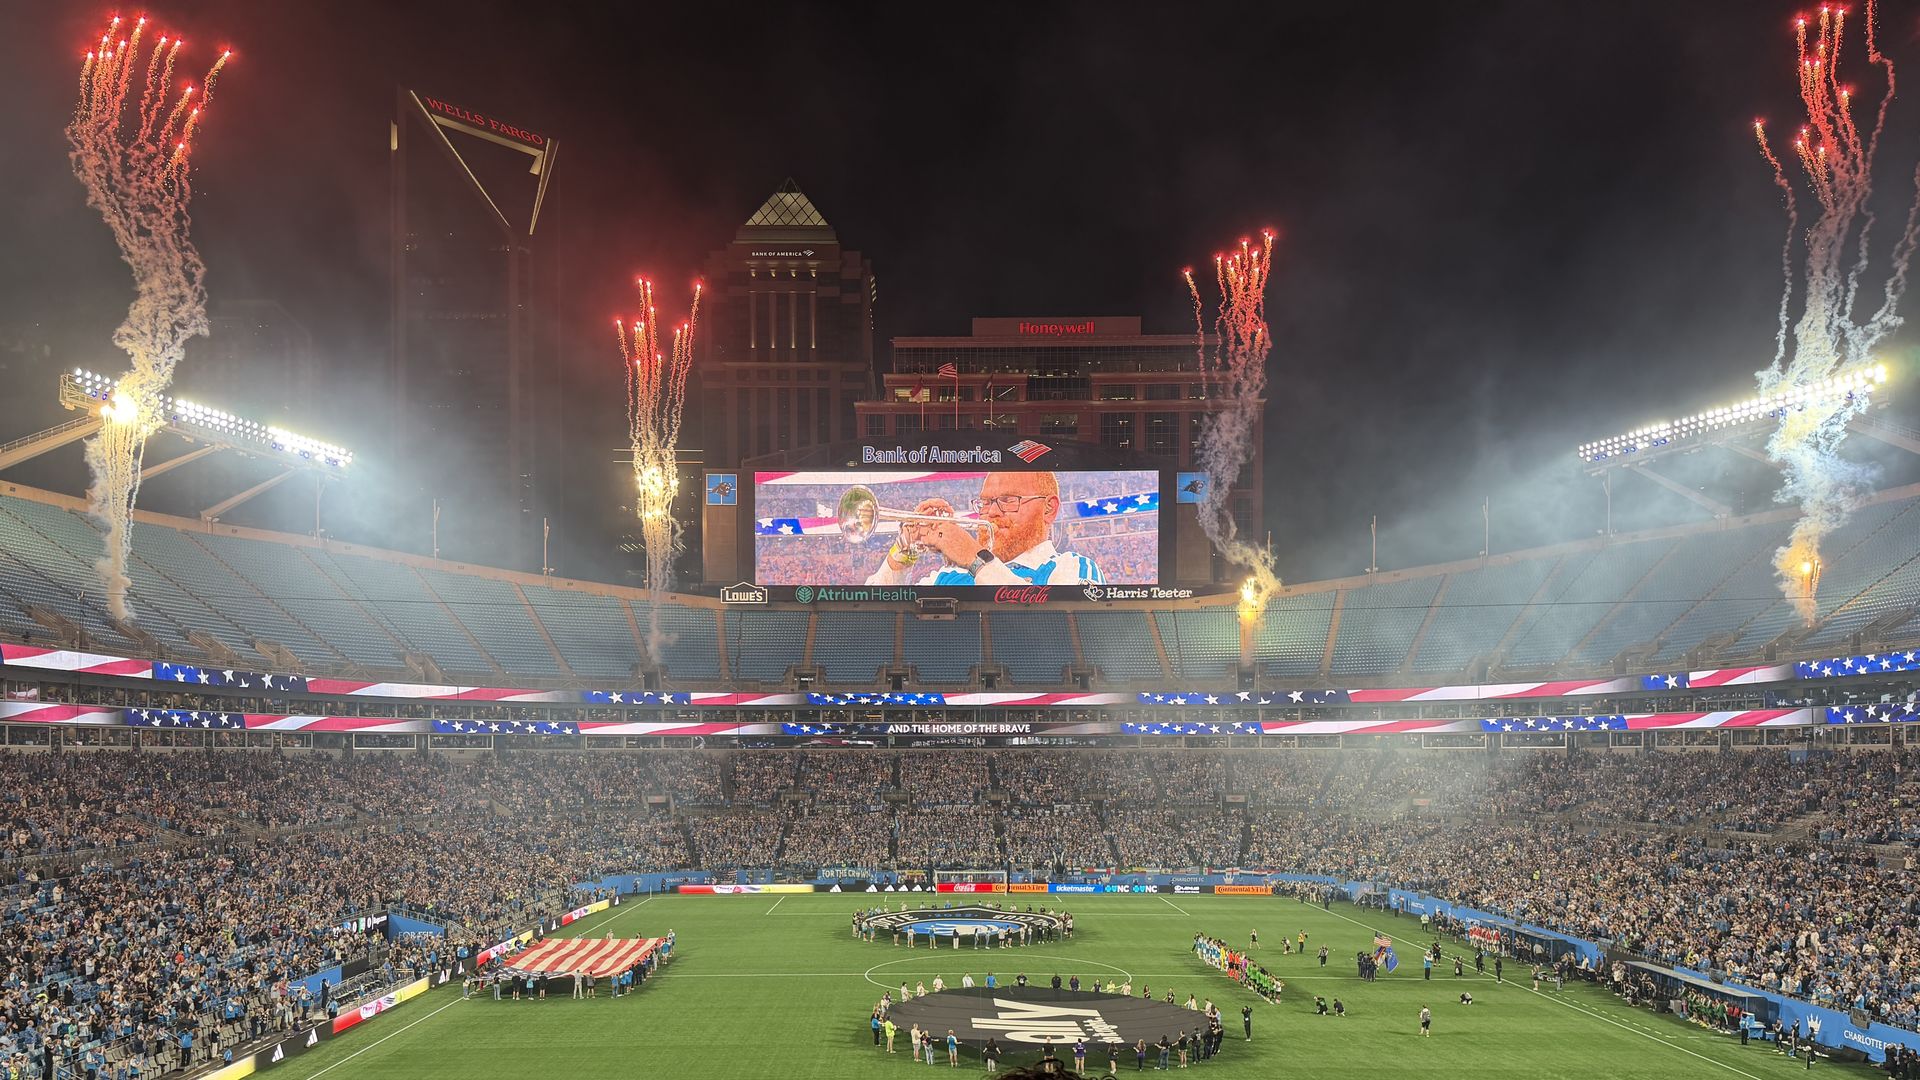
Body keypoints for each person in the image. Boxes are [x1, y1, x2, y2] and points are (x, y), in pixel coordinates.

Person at [865, 471, 1106, 586]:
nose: (991, 512)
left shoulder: (1072, 567)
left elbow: (1058, 629)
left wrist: (974, 557)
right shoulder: (947, 577)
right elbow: (873, 622)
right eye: (985, 503)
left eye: (1009, 500)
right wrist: (905, 550)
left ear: (1048, 509)